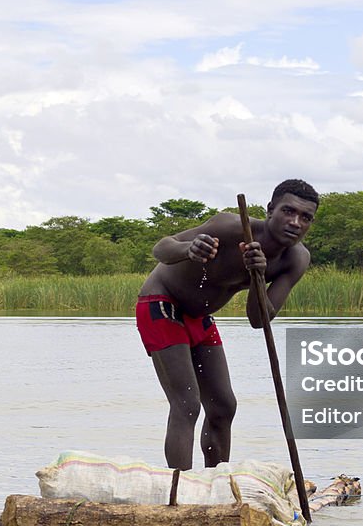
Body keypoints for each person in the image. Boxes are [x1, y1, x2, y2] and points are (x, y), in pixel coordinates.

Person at [136, 179, 319, 470]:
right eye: (288, 211)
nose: (295, 222)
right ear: (271, 210)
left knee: (223, 407)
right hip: (162, 303)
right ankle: (180, 493)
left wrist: (258, 275)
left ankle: (216, 485)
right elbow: (161, 249)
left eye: (305, 217)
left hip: (200, 316)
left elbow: (258, 319)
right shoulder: (229, 227)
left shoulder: (295, 259)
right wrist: (189, 249)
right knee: (187, 405)